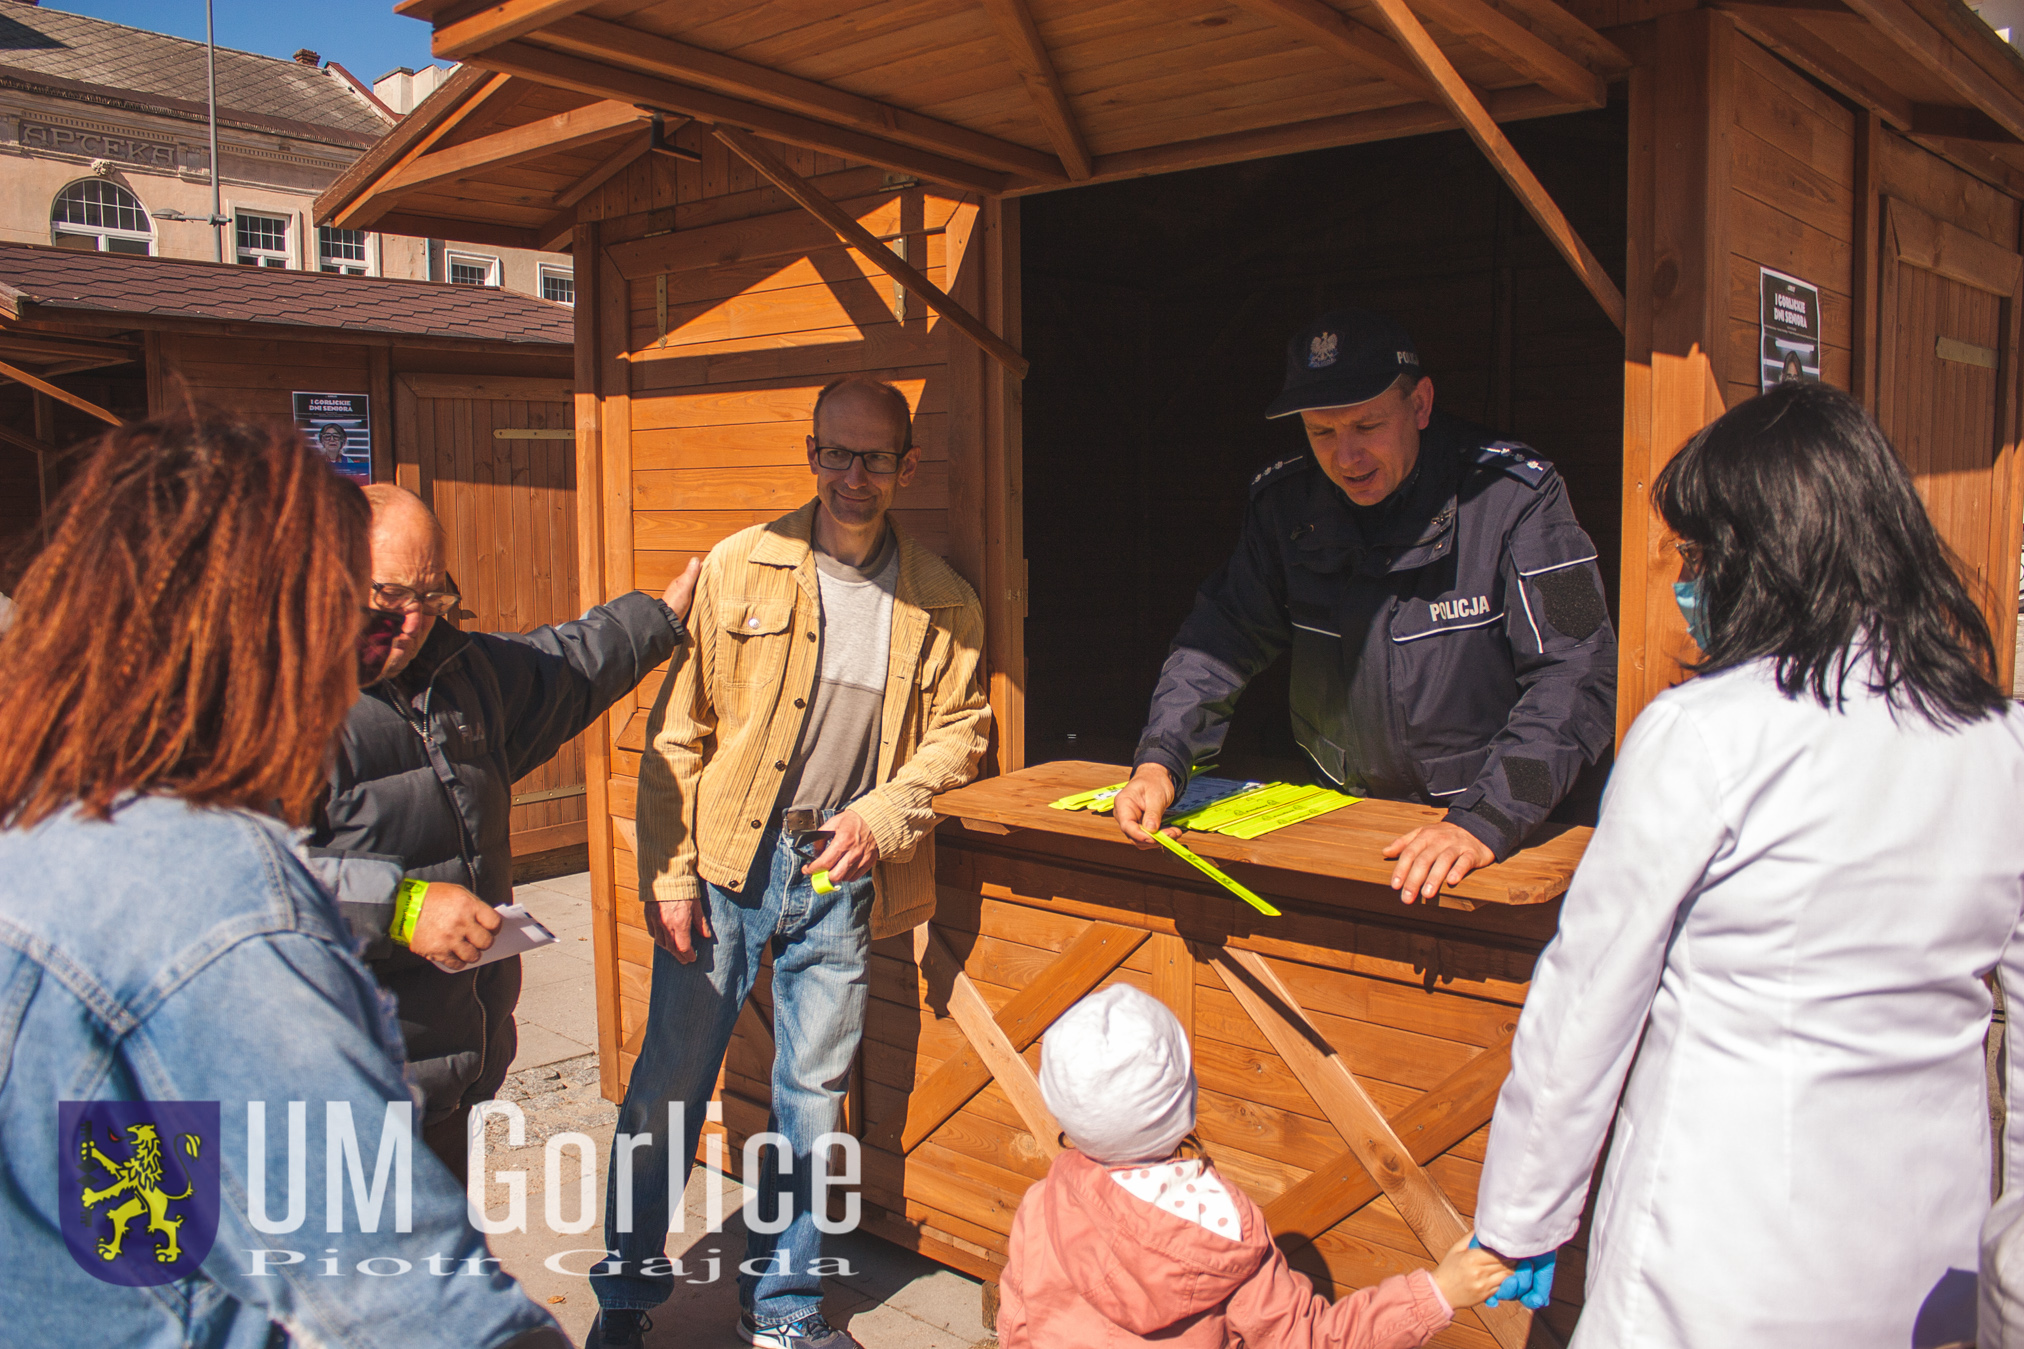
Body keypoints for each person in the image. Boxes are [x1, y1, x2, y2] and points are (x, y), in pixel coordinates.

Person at [1470, 382, 2024, 1347]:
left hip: (1721, 1238)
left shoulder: (1703, 736)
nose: (1687, 583)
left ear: (1761, 559)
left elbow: (1589, 996)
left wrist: (1520, 1218)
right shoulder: (2002, 743)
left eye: (1698, 556)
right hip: (1932, 1249)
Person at [0, 411, 565, 1347]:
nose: (374, 648)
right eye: (352, 614)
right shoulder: (219, 909)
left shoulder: (39, 826)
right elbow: (407, 1295)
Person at [589, 376, 992, 1349]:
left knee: (811, 1097)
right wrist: (671, 873)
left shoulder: (941, 598)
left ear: (905, 462)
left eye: (876, 457)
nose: (855, 476)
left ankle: (782, 1309)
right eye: (837, 454)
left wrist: (885, 813)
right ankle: (623, 1301)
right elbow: (673, 737)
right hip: (727, 857)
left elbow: (959, 735)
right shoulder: (741, 563)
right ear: (809, 453)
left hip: (836, 870)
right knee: (668, 1086)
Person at [1112, 309, 1616, 900]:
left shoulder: (1519, 497)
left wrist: (1489, 819)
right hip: (1348, 822)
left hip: (1497, 835)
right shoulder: (1284, 505)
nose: (1346, 456)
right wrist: (1161, 759)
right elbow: (1220, 638)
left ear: (1421, 405)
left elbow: (1579, 671)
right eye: (1322, 433)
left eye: (1367, 426)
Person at [311, 484, 694, 1180]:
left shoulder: (460, 672)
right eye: (390, 597)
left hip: (452, 1073)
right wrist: (399, 906)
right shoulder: (272, 706)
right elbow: (230, 878)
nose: (413, 622)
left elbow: (566, 668)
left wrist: (658, 617)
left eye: (434, 598)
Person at [999, 984, 1511, 1348]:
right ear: (1185, 1100)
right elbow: (1310, 1341)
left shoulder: (1041, 1204)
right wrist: (1437, 1293)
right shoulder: (1223, 1236)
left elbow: (1018, 1326)